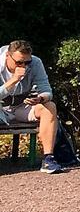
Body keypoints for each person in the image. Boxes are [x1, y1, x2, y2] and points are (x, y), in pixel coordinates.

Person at [2, 40, 64, 173]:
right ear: (8, 56)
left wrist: (40, 98)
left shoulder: (36, 63)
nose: (23, 66)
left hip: (21, 106)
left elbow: (47, 90)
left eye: (27, 62)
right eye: (19, 62)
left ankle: (48, 159)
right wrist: (13, 81)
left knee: (49, 107)